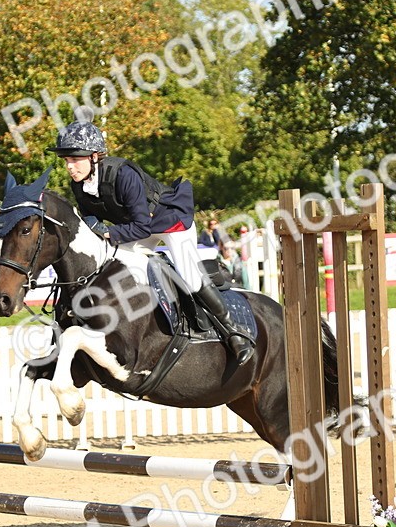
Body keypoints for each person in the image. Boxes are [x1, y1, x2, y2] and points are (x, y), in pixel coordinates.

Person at [47, 120, 253, 364]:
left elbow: (142, 225)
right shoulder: (80, 183)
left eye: (75, 159)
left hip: (170, 223)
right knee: (112, 267)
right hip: (136, 228)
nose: (70, 167)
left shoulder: (123, 174)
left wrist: (109, 233)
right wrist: (94, 225)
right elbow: (91, 214)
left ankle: (234, 333)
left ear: (94, 156)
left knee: (190, 277)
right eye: (66, 161)